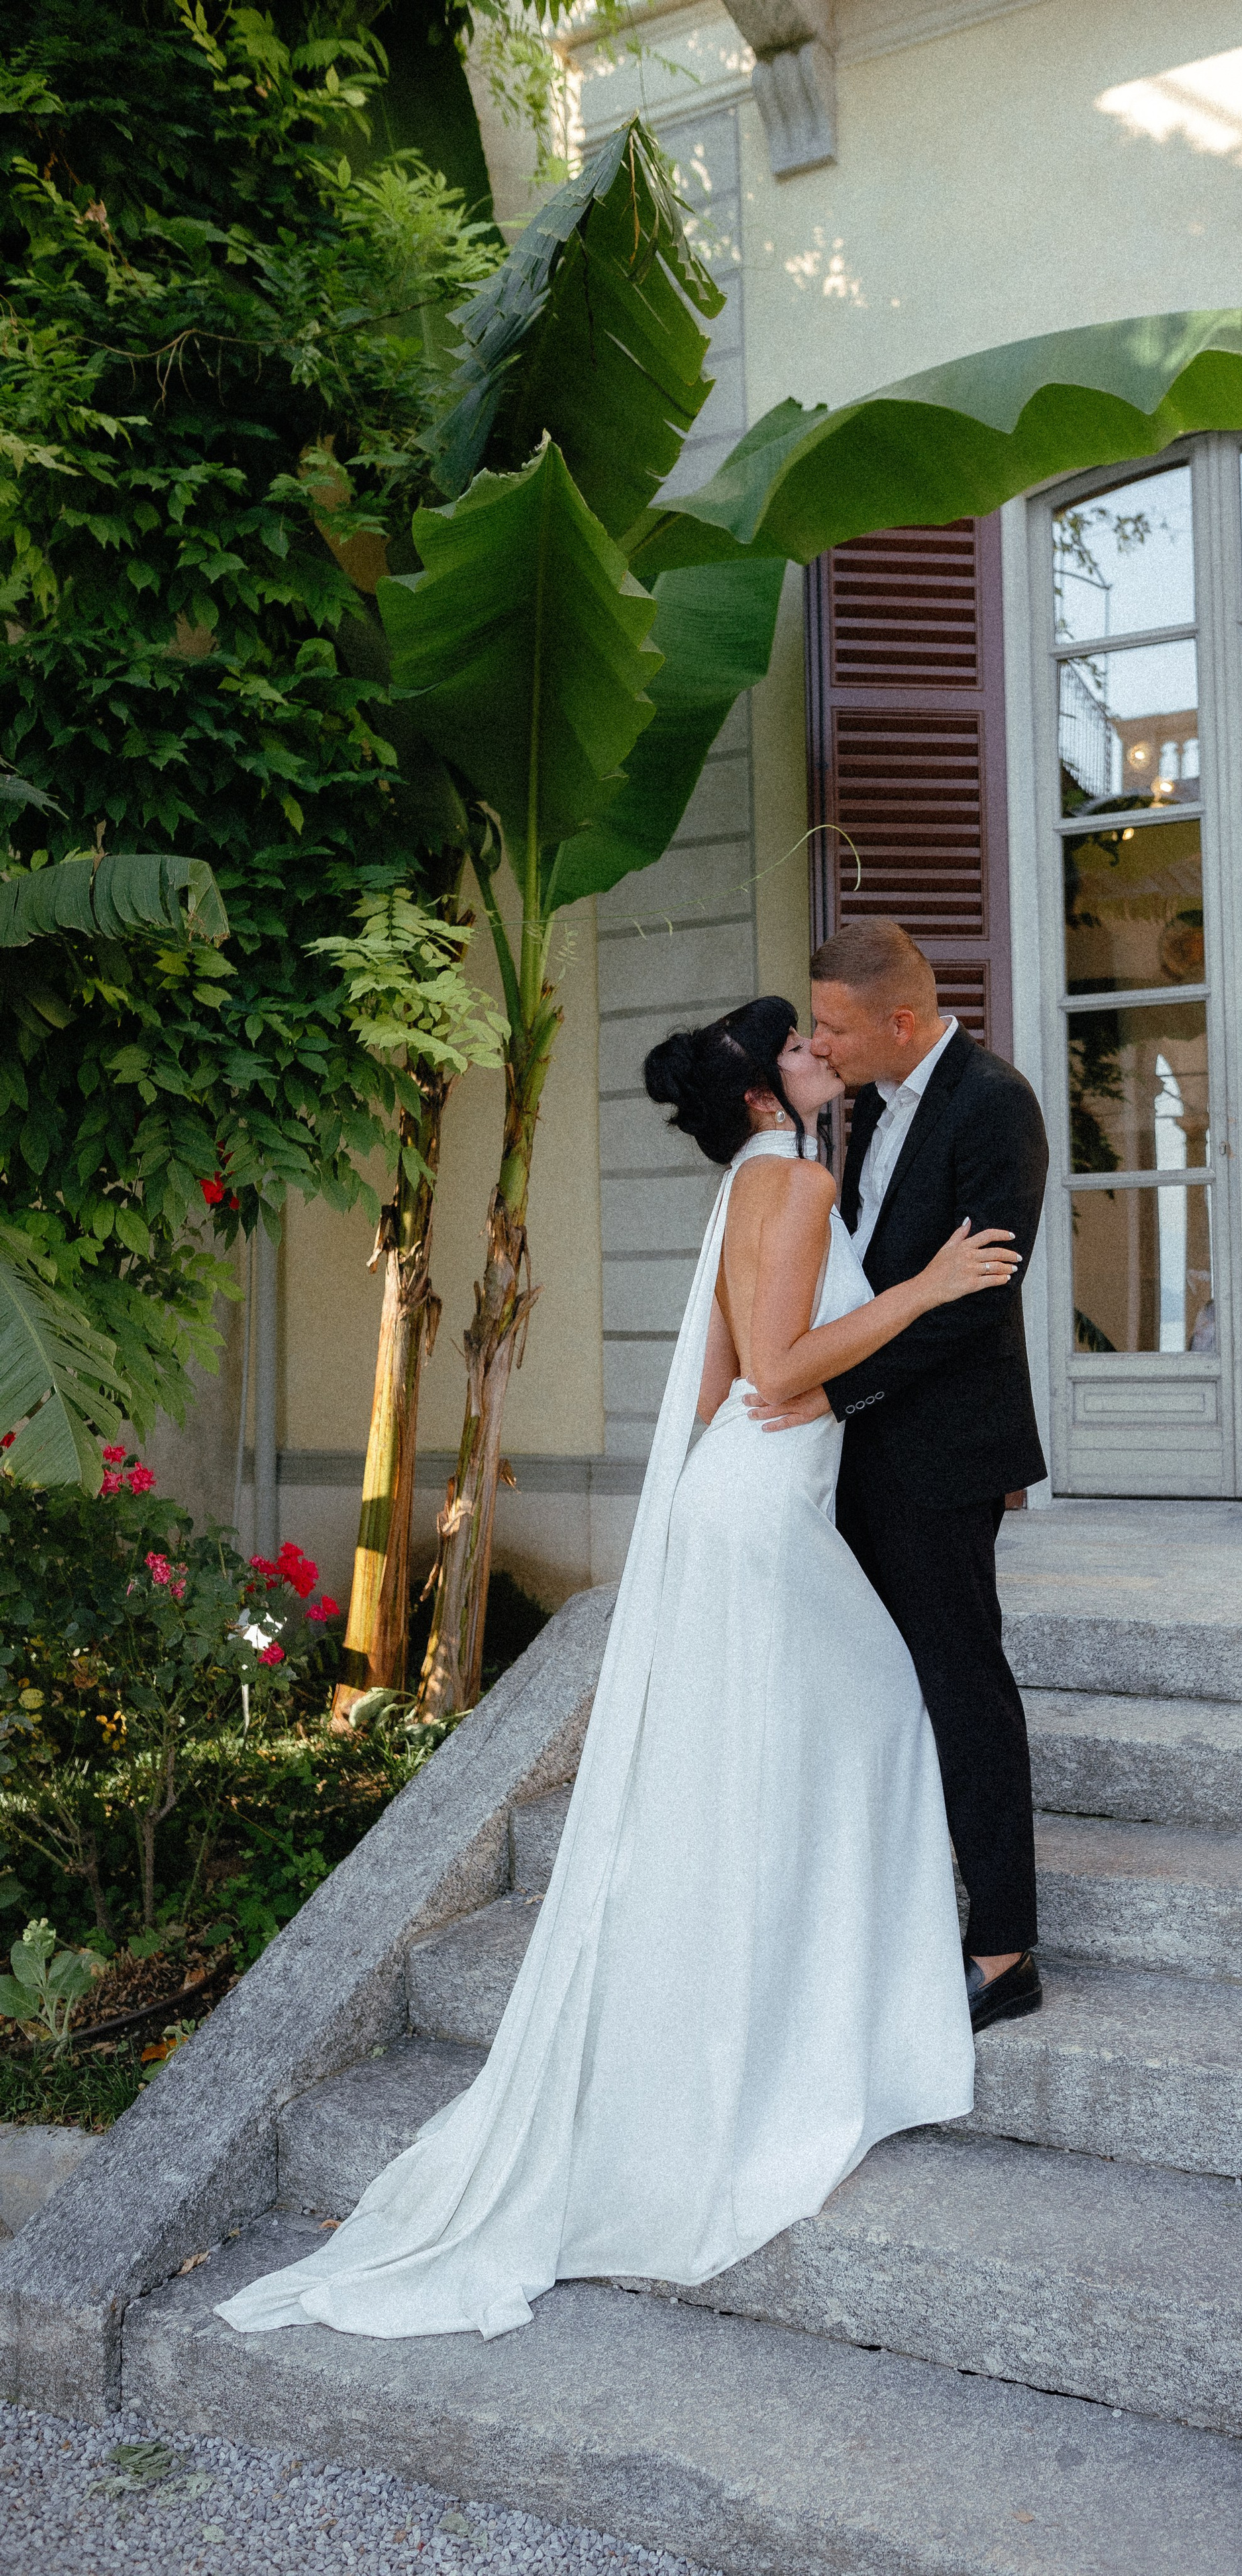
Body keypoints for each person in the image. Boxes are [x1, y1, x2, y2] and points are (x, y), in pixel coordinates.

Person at [214, 996, 1019, 2344]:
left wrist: (754, 1450)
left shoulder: (752, 1184)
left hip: (735, 1500)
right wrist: (927, 1291)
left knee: (803, 1748)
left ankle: (812, 2004)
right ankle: (833, 2028)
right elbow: (770, 1374)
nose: (826, 1055)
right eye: (805, 1047)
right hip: (759, 1517)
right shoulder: (802, 1182)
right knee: (880, 1717)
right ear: (769, 1088)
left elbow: (716, 1385)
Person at [748, 920, 1050, 2033]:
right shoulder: (864, 1107)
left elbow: (974, 1302)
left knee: (963, 1687)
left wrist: (835, 1394)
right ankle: (895, 1907)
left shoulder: (994, 1105)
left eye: (832, 1024)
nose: (818, 1042)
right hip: (856, 1451)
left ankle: (1005, 1949)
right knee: (877, 1684)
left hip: (939, 1451)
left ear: (902, 1023)